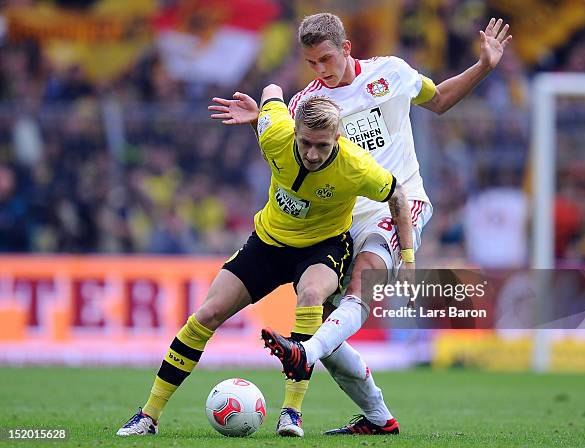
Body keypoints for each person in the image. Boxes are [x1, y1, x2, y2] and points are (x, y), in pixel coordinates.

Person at [209, 13, 512, 436]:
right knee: (327, 327)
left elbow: (439, 100)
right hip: (339, 223)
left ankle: (303, 352)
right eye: (311, 63)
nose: (321, 71)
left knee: (361, 284)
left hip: (399, 204)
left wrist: (482, 66)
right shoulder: (306, 104)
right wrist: (262, 116)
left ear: (347, 48)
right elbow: (293, 144)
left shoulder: (392, 73)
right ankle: (376, 416)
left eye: (327, 59)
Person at [117, 83, 415, 436]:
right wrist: (258, 115)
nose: (313, 154)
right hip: (267, 243)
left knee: (311, 297)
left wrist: (407, 259)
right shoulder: (275, 130)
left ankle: (291, 413)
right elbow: (273, 89)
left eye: (323, 145)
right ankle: (148, 416)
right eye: (305, 143)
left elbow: (397, 196)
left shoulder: (356, 167)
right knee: (206, 316)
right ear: (295, 129)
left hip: (323, 247)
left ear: (337, 136)